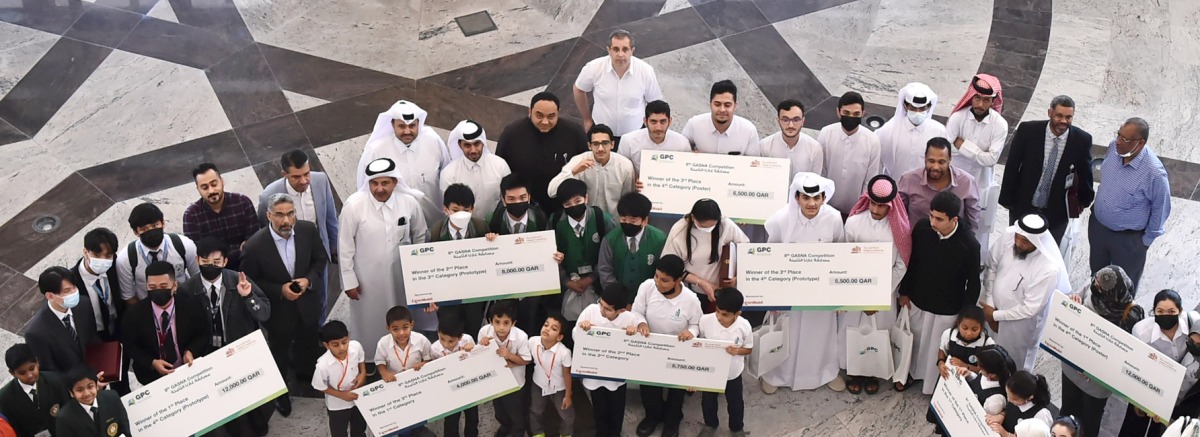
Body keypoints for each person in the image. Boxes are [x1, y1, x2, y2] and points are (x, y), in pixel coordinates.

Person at [240, 193, 329, 417]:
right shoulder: (254, 246)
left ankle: (305, 372)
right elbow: (251, 282)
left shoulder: (308, 231)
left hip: (307, 305)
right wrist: (279, 290)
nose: (286, 220)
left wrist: (308, 280)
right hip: (278, 313)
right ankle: (280, 393)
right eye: (279, 215)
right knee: (278, 353)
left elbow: (320, 259)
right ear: (269, 215)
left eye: (290, 213)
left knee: (308, 341)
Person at [761, 173, 845, 394]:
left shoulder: (834, 218)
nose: (812, 203)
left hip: (821, 292)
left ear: (824, 198)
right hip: (788, 291)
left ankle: (824, 372)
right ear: (796, 198)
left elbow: (840, 251)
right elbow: (769, 256)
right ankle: (776, 374)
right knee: (788, 331)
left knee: (820, 333)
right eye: (806, 198)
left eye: (817, 197)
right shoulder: (780, 219)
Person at [182, 237, 272, 436]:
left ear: (224, 262)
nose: (210, 266)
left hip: (239, 351)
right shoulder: (187, 289)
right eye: (205, 262)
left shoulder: (237, 280)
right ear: (197, 260)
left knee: (249, 398)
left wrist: (248, 296)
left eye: (216, 262)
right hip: (208, 354)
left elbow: (264, 312)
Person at [339, 157, 432, 344]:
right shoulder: (354, 206)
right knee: (370, 321)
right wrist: (349, 281)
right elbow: (345, 246)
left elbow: (421, 235)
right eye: (374, 183)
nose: (379, 189)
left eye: (385, 183)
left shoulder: (409, 202)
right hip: (367, 280)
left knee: (403, 316)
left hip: (402, 276)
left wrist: (420, 273)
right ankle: (371, 358)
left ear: (395, 182)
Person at [898, 191, 981, 394]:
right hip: (919, 298)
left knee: (937, 345)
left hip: (947, 306)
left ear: (954, 219)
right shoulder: (922, 228)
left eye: (939, 219)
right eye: (931, 215)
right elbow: (913, 262)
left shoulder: (969, 244)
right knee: (915, 339)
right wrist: (904, 291)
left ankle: (931, 383)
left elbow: (973, 283)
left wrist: (965, 315)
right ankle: (906, 373)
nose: (933, 222)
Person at [841, 175, 911, 395]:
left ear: (890, 205)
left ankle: (872, 372)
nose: (876, 209)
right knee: (852, 330)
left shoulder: (899, 228)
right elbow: (845, 259)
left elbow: (901, 265)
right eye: (873, 203)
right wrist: (859, 293)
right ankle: (853, 371)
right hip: (854, 291)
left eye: (882, 206)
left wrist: (879, 295)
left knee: (878, 332)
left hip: (883, 294)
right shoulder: (853, 223)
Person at [1060, 266, 1143, 437]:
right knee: (1067, 411)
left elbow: (1126, 354)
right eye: (1095, 281)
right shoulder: (1092, 287)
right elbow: (1078, 298)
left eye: (1100, 286)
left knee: (1089, 421)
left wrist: (1095, 368)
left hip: (1096, 382)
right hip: (1071, 367)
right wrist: (1074, 301)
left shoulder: (1132, 315)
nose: (1094, 286)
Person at [999, 96, 1095, 243]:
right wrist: (1007, 198)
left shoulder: (1082, 140)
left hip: (1056, 213)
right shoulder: (1028, 131)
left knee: (1047, 256)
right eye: (1059, 116)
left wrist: (1082, 202)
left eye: (1068, 117)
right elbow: (1012, 166)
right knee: (1017, 248)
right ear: (1049, 112)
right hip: (1024, 205)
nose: (1063, 121)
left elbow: (1085, 173)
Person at [1089, 117, 1171, 289]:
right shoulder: (1114, 148)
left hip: (1127, 240)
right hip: (1099, 229)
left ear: (1140, 143)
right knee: (1096, 277)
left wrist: (1145, 242)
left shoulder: (1154, 174)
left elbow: (1161, 208)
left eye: (1125, 139)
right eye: (1118, 135)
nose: (1118, 142)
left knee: (1122, 287)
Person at [981, 213, 1070, 371]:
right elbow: (991, 266)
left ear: (1038, 241)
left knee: (1013, 362)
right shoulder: (1009, 237)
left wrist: (996, 316)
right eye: (1018, 237)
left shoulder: (1048, 269)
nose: (1018, 243)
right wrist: (989, 303)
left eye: (1025, 241)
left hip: (1019, 325)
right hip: (991, 308)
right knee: (988, 352)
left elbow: (1030, 309)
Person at [259, 149, 340, 320]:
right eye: (296, 177)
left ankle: (320, 331)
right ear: (284, 174)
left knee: (321, 296)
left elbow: (330, 217)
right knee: (294, 302)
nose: (304, 181)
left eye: (306, 174)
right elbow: (264, 231)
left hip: (318, 252)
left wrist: (334, 247)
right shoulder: (269, 195)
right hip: (288, 255)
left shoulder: (321, 180)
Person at [631, 255, 703, 437]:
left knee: (676, 391)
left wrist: (691, 333)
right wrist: (641, 323)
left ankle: (672, 421)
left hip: (677, 349)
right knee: (648, 387)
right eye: (656, 276)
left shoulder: (691, 300)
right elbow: (637, 311)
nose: (658, 282)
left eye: (664, 280)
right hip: (650, 346)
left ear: (678, 280)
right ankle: (652, 416)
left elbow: (697, 325)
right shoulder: (647, 287)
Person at [356, 100, 449, 227]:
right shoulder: (376, 150)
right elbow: (364, 187)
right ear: (392, 124)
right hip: (395, 228)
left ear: (419, 124)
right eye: (402, 126)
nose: (407, 131)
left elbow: (447, 174)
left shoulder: (433, 141)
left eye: (412, 126)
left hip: (435, 224)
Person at [1119, 290, 1197, 437]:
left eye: (1171, 311)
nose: (1166, 315)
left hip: (1177, 395)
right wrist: (1137, 400)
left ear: (1180, 311)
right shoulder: (1142, 332)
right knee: (1133, 429)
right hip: (1146, 388)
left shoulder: (1192, 323)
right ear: (1153, 311)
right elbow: (1135, 366)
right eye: (1160, 311)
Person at [496, 92, 588, 217]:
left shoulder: (574, 133)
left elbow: (586, 167)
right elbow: (501, 168)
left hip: (564, 204)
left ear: (558, 113)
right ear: (530, 112)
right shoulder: (512, 134)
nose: (545, 122)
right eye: (539, 116)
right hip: (525, 206)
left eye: (551, 116)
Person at [946, 74, 1009, 253]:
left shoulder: (1000, 125)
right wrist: (980, 153)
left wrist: (962, 144)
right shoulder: (958, 117)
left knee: (979, 227)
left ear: (993, 101)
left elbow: (991, 160)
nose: (980, 104)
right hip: (953, 181)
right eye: (977, 98)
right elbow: (948, 148)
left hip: (981, 185)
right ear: (971, 96)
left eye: (986, 100)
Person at [548, 178, 615, 345]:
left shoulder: (601, 218)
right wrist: (565, 281)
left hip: (597, 285)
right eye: (568, 203)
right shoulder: (555, 221)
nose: (573, 206)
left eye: (577, 201)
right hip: (566, 287)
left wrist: (592, 277)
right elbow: (549, 255)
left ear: (586, 198)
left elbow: (610, 254)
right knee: (568, 331)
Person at [122, 260, 211, 384]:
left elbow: (203, 332)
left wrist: (191, 351)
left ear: (174, 286)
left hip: (189, 370)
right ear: (146, 286)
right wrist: (152, 362)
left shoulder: (192, 305)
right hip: (152, 376)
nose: (158, 291)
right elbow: (130, 345)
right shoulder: (135, 313)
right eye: (152, 287)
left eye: (163, 287)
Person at [572, 29, 663, 141]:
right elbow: (579, 89)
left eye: (625, 49)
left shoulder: (646, 71)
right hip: (602, 133)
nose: (620, 54)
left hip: (634, 134)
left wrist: (653, 127)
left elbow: (654, 102)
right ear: (608, 50)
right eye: (616, 49)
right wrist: (586, 118)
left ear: (632, 51)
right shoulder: (593, 68)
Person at [576, 286, 642, 437]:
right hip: (595, 371)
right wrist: (582, 329)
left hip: (616, 374)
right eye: (601, 304)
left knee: (617, 406)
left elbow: (633, 348)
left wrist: (633, 334)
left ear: (621, 310)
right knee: (599, 406)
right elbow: (576, 336)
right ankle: (601, 432)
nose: (602, 310)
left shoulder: (629, 319)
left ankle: (615, 432)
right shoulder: (590, 311)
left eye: (607, 309)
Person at [429, 183, 492, 337]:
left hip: (474, 293)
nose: (461, 215)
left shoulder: (480, 227)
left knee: (474, 330)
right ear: (446, 210)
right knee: (450, 332)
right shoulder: (436, 231)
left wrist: (492, 240)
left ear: (473, 209)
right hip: (447, 294)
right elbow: (429, 265)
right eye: (455, 211)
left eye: (466, 210)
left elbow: (490, 256)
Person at [662, 199, 749, 309]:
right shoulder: (679, 229)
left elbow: (747, 250)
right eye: (703, 226)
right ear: (693, 218)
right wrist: (701, 283)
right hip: (691, 290)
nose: (708, 229)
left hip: (722, 291)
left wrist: (737, 277)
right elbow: (669, 265)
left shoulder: (726, 224)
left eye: (712, 226)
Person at [117, 202, 199, 304]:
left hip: (183, 303)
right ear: (136, 232)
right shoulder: (126, 258)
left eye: (155, 225)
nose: (151, 231)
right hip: (148, 309)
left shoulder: (184, 245)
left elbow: (198, 278)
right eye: (144, 229)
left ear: (163, 223)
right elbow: (129, 296)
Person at [698, 288, 753, 437]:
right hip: (711, 371)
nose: (719, 317)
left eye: (725, 315)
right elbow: (701, 341)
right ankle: (710, 424)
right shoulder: (705, 321)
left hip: (732, 373)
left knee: (735, 403)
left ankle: (736, 428)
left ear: (737, 314)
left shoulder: (744, 326)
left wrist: (737, 351)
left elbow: (748, 349)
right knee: (708, 402)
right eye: (717, 312)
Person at [183, 163, 261, 269]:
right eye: (205, 187)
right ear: (198, 189)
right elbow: (201, 254)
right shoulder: (191, 216)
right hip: (215, 270)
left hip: (248, 263)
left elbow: (253, 244)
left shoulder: (243, 203)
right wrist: (239, 249)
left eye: (214, 184)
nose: (211, 191)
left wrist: (218, 256)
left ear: (222, 181)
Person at [548, 124, 636, 215]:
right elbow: (551, 192)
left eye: (605, 143)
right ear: (589, 146)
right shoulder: (578, 161)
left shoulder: (625, 165)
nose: (600, 149)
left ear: (612, 144)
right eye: (596, 144)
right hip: (586, 220)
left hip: (615, 220)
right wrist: (574, 172)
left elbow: (628, 198)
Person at [897, 137, 982, 232]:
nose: (936, 167)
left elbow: (973, 218)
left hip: (953, 242)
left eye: (941, 162)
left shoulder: (967, 182)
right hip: (917, 241)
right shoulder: (908, 179)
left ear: (950, 159)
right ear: (925, 158)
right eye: (931, 161)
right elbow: (899, 214)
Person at [818, 91, 882, 214]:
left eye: (856, 113)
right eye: (846, 113)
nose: (851, 117)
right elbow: (821, 171)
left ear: (863, 114)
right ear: (838, 112)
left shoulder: (872, 140)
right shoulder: (826, 134)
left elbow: (870, 179)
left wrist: (860, 209)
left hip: (857, 209)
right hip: (826, 206)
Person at [476, 300, 532, 437]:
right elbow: (478, 357)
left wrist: (510, 356)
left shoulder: (521, 337)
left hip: (515, 381)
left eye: (506, 323)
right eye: (497, 322)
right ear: (491, 321)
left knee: (515, 411)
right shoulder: (484, 332)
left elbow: (527, 360)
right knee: (500, 409)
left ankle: (517, 432)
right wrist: (482, 346)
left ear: (513, 323)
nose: (501, 327)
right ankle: (505, 427)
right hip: (495, 380)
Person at [26, 266, 96, 373]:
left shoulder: (83, 304)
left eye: (74, 287)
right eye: (67, 291)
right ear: (50, 296)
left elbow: (92, 337)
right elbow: (49, 372)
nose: (74, 293)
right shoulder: (36, 333)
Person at [440, 120, 512, 221]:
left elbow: (508, 199)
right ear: (460, 145)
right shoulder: (448, 173)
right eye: (467, 145)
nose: (473, 150)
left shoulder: (500, 165)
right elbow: (450, 208)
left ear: (483, 142)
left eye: (477, 144)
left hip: (496, 226)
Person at [598, 192, 666, 298]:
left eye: (633, 221)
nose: (627, 224)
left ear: (645, 220)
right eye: (624, 219)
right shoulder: (610, 239)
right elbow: (605, 271)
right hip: (618, 301)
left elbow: (663, 274)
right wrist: (619, 299)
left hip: (650, 298)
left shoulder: (660, 239)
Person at [876, 83, 946, 177]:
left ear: (929, 108)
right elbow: (878, 161)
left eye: (922, 109)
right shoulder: (889, 130)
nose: (917, 112)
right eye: (913, 108)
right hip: (895, 186)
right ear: (905, 106)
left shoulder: (939, 132)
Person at [0, 344, 69, 437]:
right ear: (12, 373)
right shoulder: (5, 397)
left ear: (37, 362)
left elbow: (69, 410)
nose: (29, 375)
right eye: (22, 373)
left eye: (32, 368)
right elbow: (15, 428)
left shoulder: (54, 380)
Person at [312, 320, 367, 437]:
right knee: (339, 431)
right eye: (335, 345)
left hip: (358, 398)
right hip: (337, 405)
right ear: (326, 345)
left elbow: (361, 359)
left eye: (344, 342)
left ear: (348, 338)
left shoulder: (356, 347)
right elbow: (319, 386)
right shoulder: (322, 365)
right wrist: (341, 395)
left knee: (360, 427)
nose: (342, 348)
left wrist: (362, 373)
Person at [525, 314, 574, 437]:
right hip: (539, 383)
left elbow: (567, 374)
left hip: (559, 387)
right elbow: (525, 358)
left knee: (566, 414)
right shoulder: (532, 341)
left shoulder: (564, 352)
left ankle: (566, 433)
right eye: (546, 325)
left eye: (554, 328)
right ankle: (537, 432)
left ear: (560, 337)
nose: (547, 329)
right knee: (536, 410)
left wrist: (568, 395)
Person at [682, 80, 761, 156]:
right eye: (717, 104)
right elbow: (680, 152)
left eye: (727, 105)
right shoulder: (694, 125)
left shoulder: (749, 131)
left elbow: (753, 165)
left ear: (735, 106)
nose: (722, 109)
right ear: (710, 104)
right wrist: (691, 156)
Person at [431, 317, 478, 437]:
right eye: (442, 339)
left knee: (472, 418)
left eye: (451, 341)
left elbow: (476, 362)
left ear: (460, 337)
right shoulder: (434, 349)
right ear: (438, 333)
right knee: (451, 421)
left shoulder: (467, 340)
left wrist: (470, 352)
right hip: (449, 390)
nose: (446, 344)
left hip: (469, 386)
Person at [617, 100, 691, 174]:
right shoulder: (628, 141)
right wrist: (634, 180)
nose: (658, 127)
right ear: (645, 121)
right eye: (653, 122)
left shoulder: (682, 143)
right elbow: (621, 170)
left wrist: (697, 158)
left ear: (670, 121)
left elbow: (688, 171)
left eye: (663, 122)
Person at [54, 366, 130, 437]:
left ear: (96, 385)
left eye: (90, 387)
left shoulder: (112, 397)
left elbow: (124, 428)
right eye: (79, 390)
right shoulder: (64, 418)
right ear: (71, 393)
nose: (87, 394)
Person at [759, 99, 823, 181]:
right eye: (785, 120)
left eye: (796, 120)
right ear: (778, 121)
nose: (791, 125)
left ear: (803, 121)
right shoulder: (764, 146)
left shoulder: (815, 148)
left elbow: (815, 182)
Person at [374, 305, 433, 381]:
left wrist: (423, 364)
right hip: (394, 380)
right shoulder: (383, 343)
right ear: (388, 328)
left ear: (411, 325)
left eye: (405, 328)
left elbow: (428, 359)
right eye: (395, 329)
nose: (401, 333)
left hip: (418, 378)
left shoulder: (422, 340)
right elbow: (380, 361)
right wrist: (384, 372)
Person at [989, 371, 1053, 436]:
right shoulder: (1015, 398)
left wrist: (1005, 434)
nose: (1009, 400)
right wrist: (1002, 415)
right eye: (1008, 395)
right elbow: (1009, 411)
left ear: (1029, 398)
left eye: (1014, 399)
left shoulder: (1041, 416)